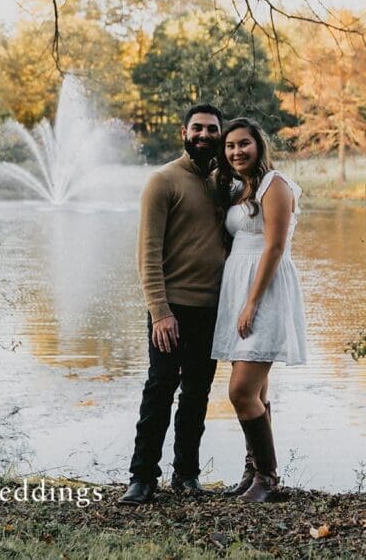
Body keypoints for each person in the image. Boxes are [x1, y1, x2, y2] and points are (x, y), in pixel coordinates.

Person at [119, 104, 227, 506]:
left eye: (211, 129)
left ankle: (187, 476)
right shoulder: (162, 181)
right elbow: (147, 252)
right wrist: (160, 311)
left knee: (197, 395)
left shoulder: (223, 182)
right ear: (184, 132)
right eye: (197, 128)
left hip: (212, 310)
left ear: (220, 134)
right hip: (171, 309)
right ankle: (142, 477)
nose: (204, 135)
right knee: (160, 389)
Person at [211, 118, 307, 503]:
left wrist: (251, 301)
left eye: (244, 144)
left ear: (258, 145)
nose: (237, 151)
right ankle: (253, 472)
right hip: (238, 290)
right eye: (230, 146)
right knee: (257, 390)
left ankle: (268, 478)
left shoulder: (274, 184)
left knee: (241, 391)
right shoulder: (238, 188)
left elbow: (275, 247)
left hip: (263, 291)